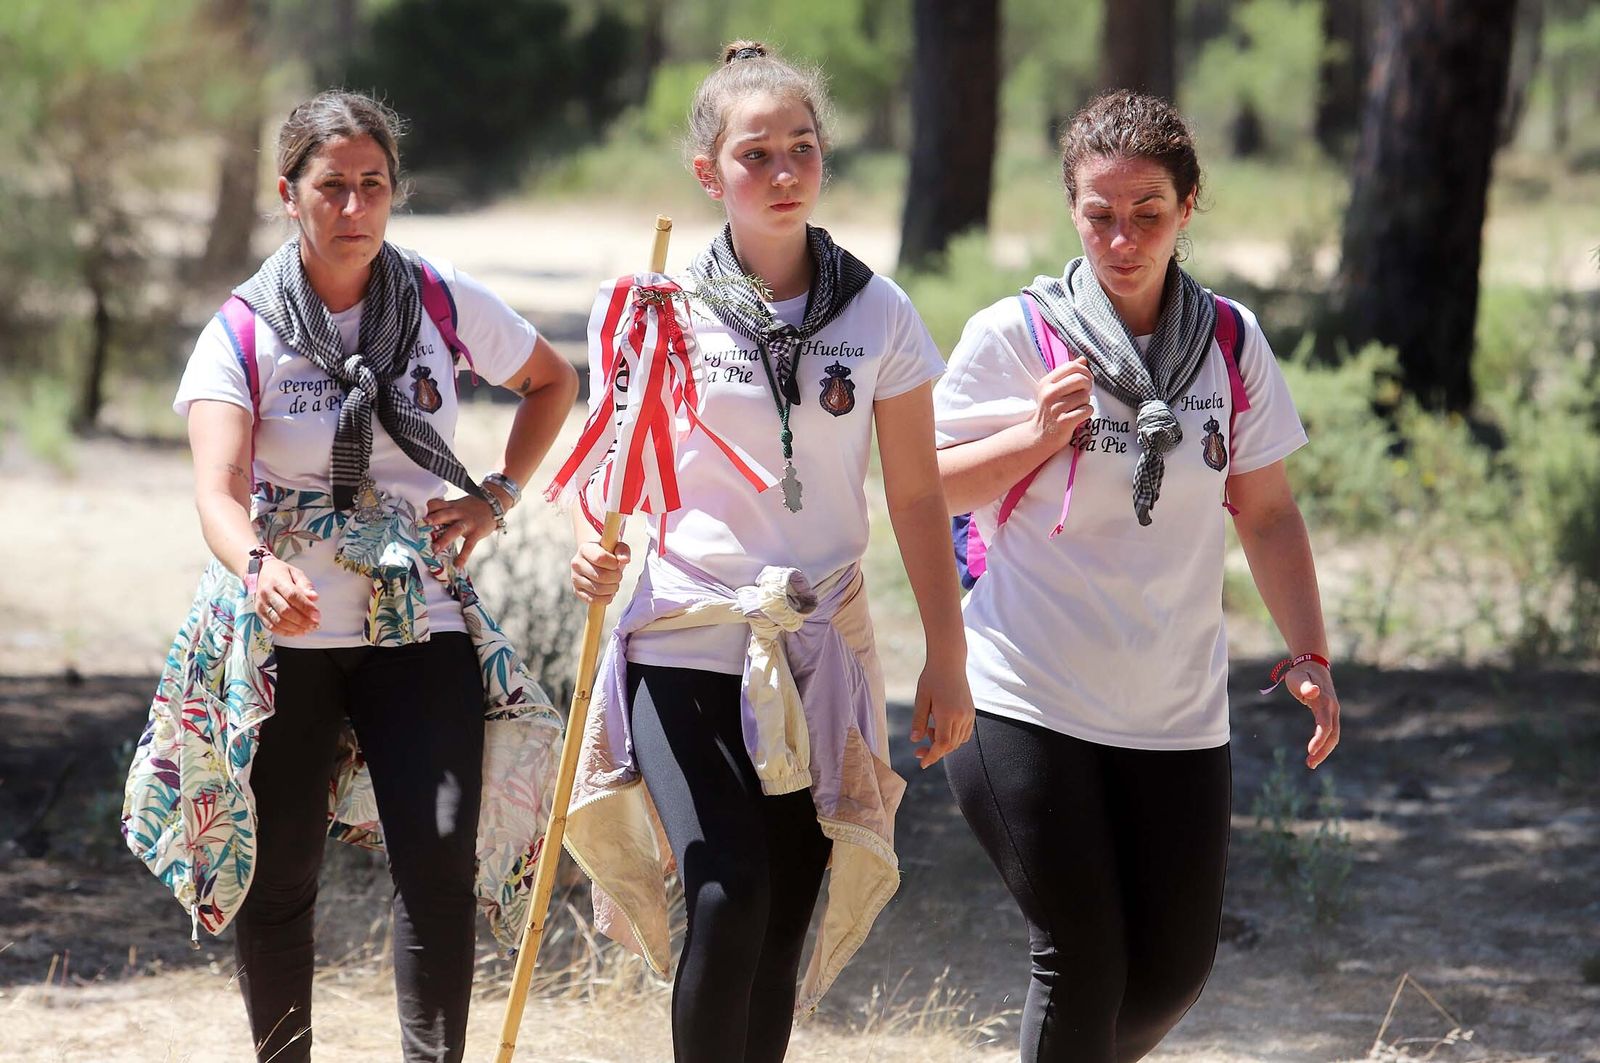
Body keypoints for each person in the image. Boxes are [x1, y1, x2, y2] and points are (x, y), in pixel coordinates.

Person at [122, 91, 577, 1063]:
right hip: (286, 637)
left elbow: (552, 381)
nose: (354, 206)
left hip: (418, 624)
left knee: (439, 860)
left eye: (373, 184)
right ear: (289, 194)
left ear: (394, 191)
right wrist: (256, 566)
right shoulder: (244, 328)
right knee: (280, 875)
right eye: (331, 185)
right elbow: (217, 490)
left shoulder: (440, 301)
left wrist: (495, 496)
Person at [559, 41, 976, 1063]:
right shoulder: (660, 306)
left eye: (802, 148)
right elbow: (606, 472)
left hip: (818, 647)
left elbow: (918, 494)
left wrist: (947, 652)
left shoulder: (878, 311)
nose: (784, 172)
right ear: (710, 174)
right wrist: (586, 548)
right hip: (685, 632)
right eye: (756, 155)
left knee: (783, 911)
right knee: (725, 890)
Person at [933, 90, 1342, 1063]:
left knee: (1170, 974)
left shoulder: (1231, 342)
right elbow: (928, 487)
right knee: (1082, 960)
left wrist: (1309, 652)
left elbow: (1268, 512)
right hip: (1023, 693)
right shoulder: (1016, 334)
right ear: (1072, 211)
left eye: (1148, 213)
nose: (1123, 239)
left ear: (1188, 208)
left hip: (1174, 710)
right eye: (1100, 214)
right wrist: (1035, 435)